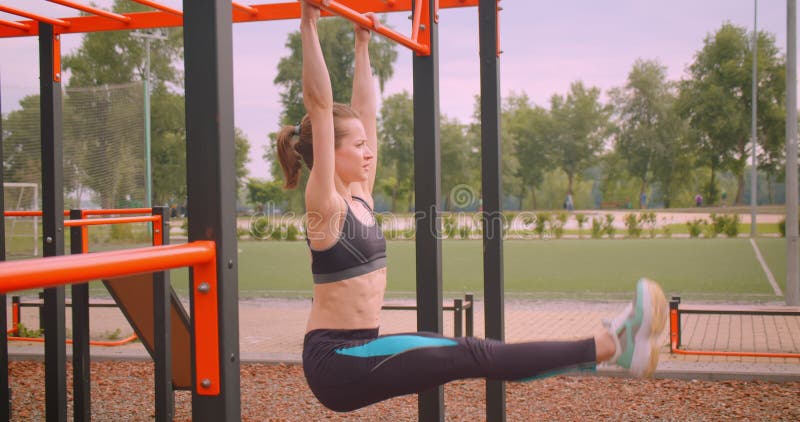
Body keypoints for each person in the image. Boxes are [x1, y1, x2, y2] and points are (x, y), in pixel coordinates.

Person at [275, 1, 668, 413]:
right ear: (329, 153)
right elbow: (321, 106)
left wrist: (362, 46)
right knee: (468, 354)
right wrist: (308, 23)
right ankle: (610, 345)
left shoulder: (362, 195)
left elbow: (365, 111)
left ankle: (613, 348)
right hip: (334, 363)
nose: (369, 151)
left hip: (361, 351)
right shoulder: (326, 206)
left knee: (471, 352)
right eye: (358, 146)